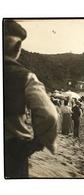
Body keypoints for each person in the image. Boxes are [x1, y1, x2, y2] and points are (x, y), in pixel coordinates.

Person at [4, 20, 58, 178]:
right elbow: (49, 115)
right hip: (10, 150)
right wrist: (40, 143)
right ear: (18, 47)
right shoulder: (24, 76)